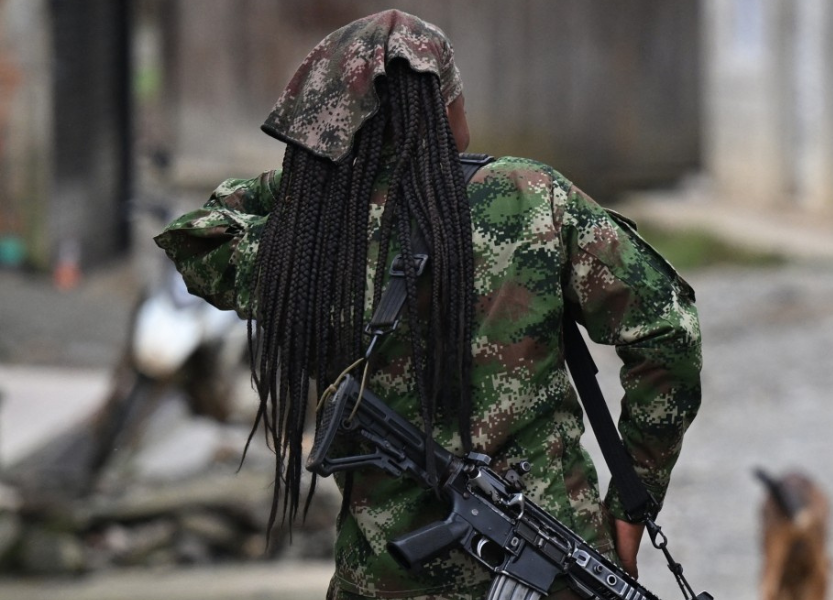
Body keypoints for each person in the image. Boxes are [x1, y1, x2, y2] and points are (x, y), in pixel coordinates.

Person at [154, 10, 701, 600]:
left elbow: (200, 232)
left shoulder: (304, 247)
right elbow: (669, 331)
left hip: (385, 580)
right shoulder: (531, 199)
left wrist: (320, 179)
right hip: (555, 569)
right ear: (445, 104)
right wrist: (631, 499)